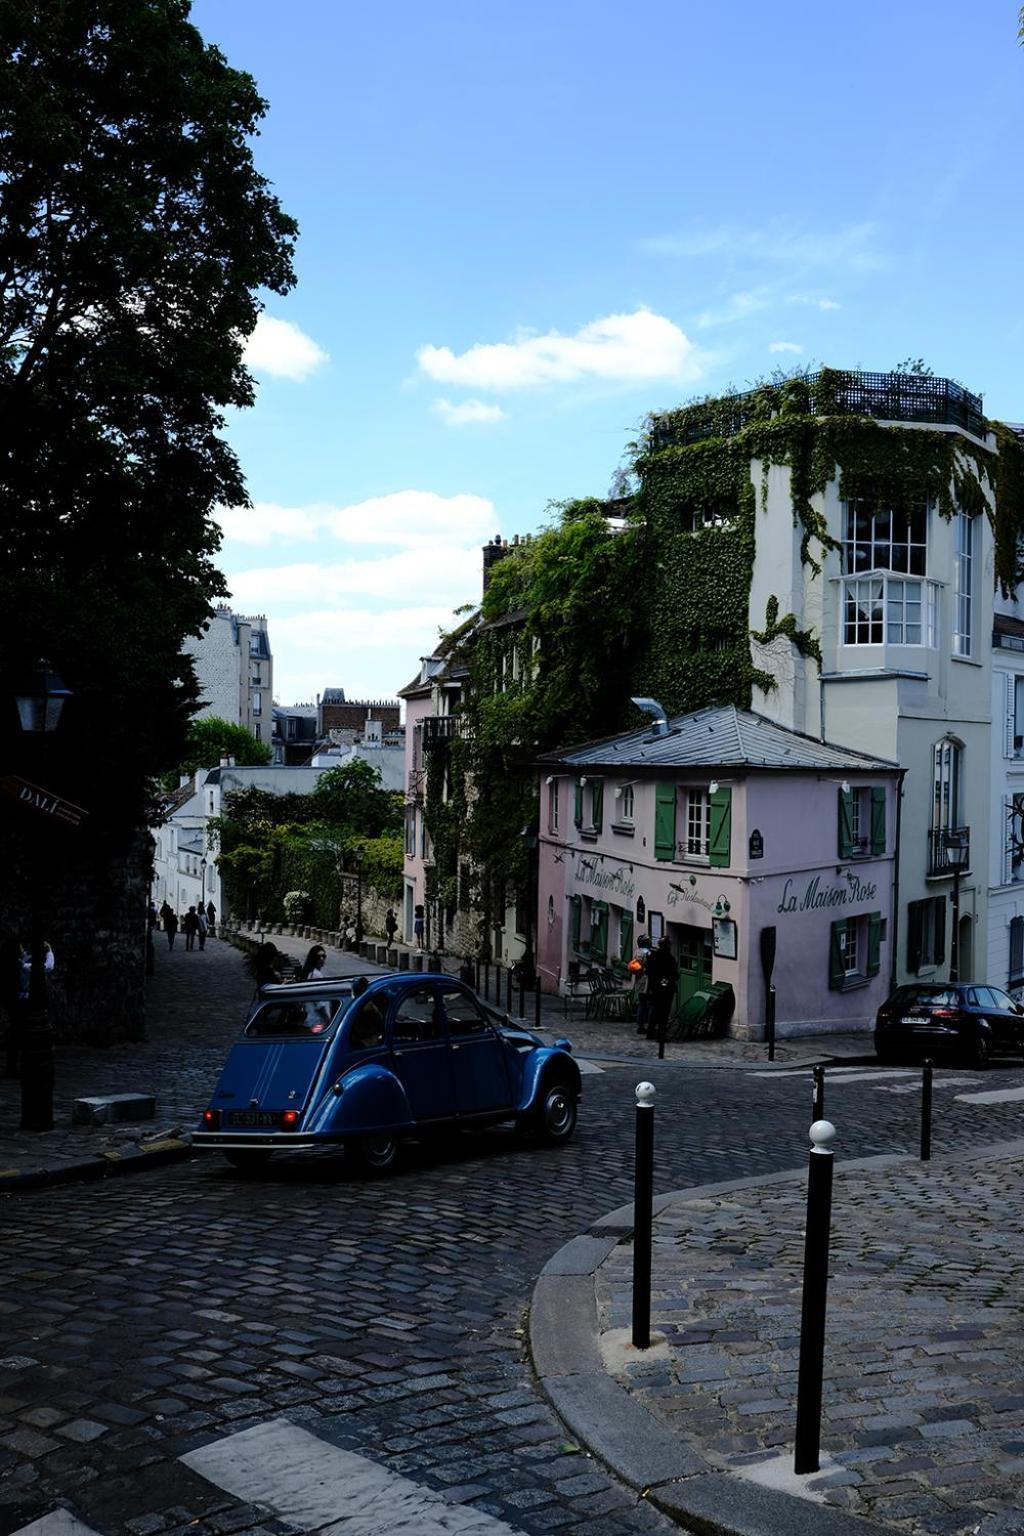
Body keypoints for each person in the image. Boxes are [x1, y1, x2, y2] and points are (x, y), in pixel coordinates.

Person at [646, 936, 678, 1043]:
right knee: (664, 1013)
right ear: (667, 945)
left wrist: (651, 986)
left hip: (656, 987)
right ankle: (661, 1035)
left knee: (655, 1010)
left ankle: (650, 1032)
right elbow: (674, 974)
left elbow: (649, 972)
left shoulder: (653, 956)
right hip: (666, 989)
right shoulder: (669, 958)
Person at [633, 934, 653, 1037]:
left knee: (641, 1003)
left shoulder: (637, 952)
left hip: (638, 979)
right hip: (647, 979)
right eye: (648, 941)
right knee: (649, 1003)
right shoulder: (647, 953)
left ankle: (640, 1025)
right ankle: (649, 1025)